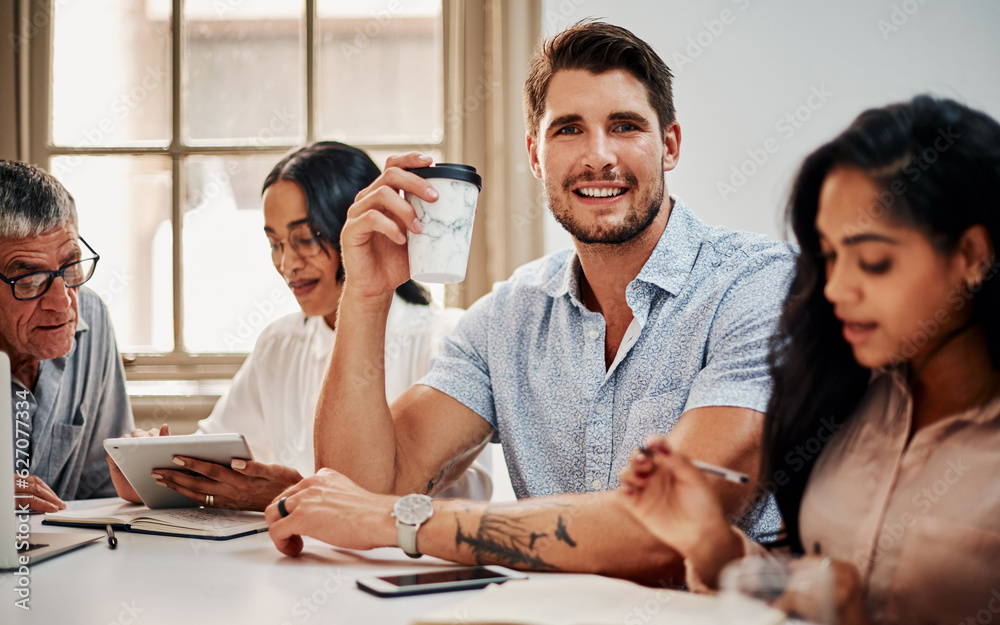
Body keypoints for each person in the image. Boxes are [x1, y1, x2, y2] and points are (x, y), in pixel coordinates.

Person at [263, 21, 796, 583]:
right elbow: (362, 488)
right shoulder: (507, 317)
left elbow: (667, 526)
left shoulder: (758, 286)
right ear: (535, 156)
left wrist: (405, 522)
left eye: (625, 126)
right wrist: (367, 295)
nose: (599, 156)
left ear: (669, 145)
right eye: (568, 129)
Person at [619, 95, 1000, 624]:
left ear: (972, 257)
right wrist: (712, 545)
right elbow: (809, 580)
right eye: (829, 256)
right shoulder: (845, 394)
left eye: (874, 261)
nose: (838, 288)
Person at [126, 142, 490, 511]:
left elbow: (400, 501)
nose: (287, 264)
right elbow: (209, 463)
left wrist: (291, 495)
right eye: (274, 243)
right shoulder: (280, 343)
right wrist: (146, 462)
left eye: (304, 240)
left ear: (365, 229)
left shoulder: (446, 342)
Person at [0, 159, 134, 511]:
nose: (62, 303)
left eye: (71, 267)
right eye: (29, 279)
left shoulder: (92, 317)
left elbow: (106, 492)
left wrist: (142, 475)